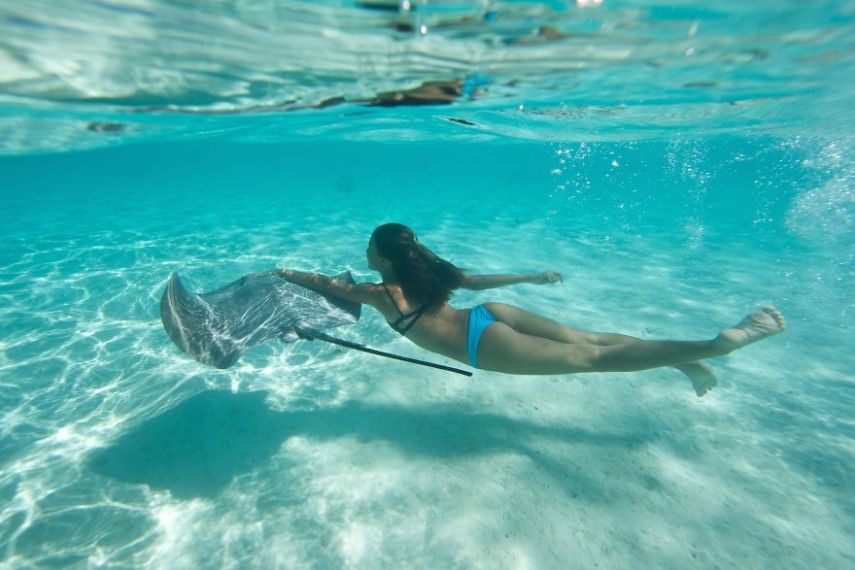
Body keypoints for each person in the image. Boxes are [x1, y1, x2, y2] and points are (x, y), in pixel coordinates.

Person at [275, 223, 786, 396]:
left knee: (593, 360)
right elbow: (475, 282)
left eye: (369, 250)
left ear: (381, 257)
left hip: (481, 343)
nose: (365, 258)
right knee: (594, 340)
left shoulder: (383, 293)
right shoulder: (428, 275)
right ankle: (683, 358)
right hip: (490, 313)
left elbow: (325, 285)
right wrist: (528, 276)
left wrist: (283, 274)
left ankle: (717, 346)